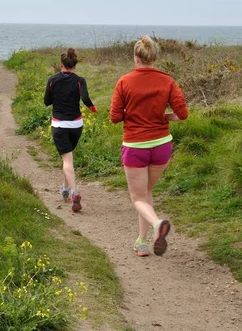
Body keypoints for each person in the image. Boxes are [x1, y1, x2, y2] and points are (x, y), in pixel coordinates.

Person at [109, 36, 188, 256]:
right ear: (154, 57)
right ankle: (142, 243)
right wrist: (162, 117)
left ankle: (157, 223)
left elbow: (115, 117)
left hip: (135, 145)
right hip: (162, 144)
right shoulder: (167, 81)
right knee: (147, 192)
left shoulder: (124, 81)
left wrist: (133, 114)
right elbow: (182, 114)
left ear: (136, 57)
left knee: (137, 198)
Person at [44, 48, 97, 212]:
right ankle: (65, 190)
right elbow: (85, 98)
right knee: (68, 157)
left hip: (59, 125)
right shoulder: (80, 80)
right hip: (76, 125)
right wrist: (93, 109)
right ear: (75, 65)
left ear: (61, 64)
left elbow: (47, 101)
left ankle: (74, 192)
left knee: (67, 160)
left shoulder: (53, 80)